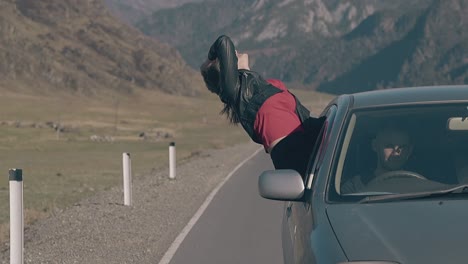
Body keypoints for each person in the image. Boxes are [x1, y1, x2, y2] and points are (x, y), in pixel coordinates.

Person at [200, 35, 324, 176]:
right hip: (295, 156)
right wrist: (210, 58)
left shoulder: (262, 86)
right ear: (226, 72)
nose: (234, 52)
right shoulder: (236, 94)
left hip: (315, 141)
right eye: (221, 58)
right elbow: (224, 42)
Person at [341, 126, 416, 193]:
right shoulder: (356, 187)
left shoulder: (419, 186)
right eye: (389, 146)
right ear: (375, 146)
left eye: (402, 147)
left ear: (409, 151)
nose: (396, 153)